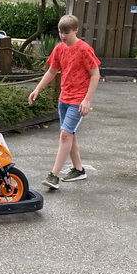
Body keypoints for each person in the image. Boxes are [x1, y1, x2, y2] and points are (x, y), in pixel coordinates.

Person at [27, 14, 102, 189]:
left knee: (65, 135)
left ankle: (53, 175)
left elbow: (95, 74)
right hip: (64, 99)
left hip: (78, 100)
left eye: (66, 32)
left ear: (75, 30)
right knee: (70, 133)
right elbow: (51, 72)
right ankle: (78, 169)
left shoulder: (84, 49)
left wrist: (87, 99)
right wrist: (37, 89)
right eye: (61, 32)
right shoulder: (59, 49)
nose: (63, 35)